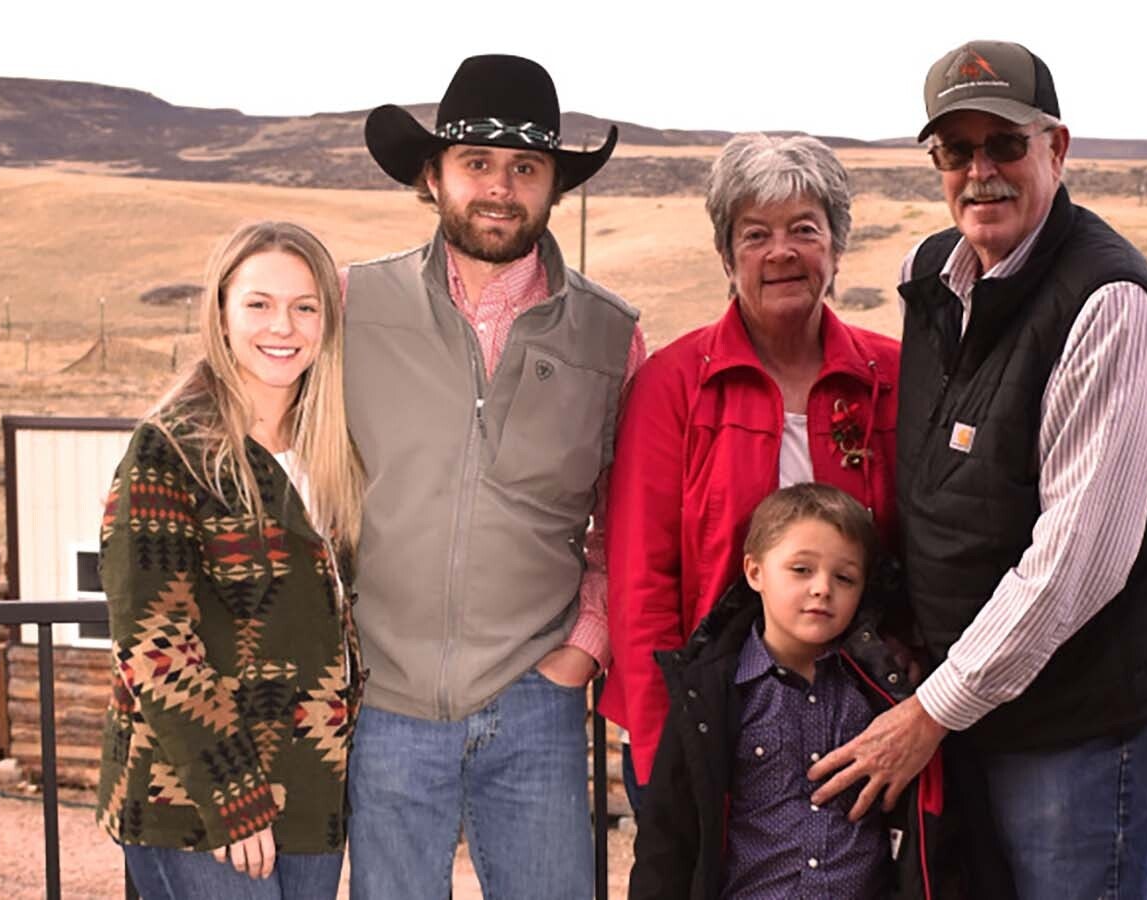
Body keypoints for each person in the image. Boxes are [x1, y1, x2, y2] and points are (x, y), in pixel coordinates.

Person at [808, 40, 1147, 897]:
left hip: (1076, 719)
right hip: (971, 705)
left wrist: (931, 710)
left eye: (1005, 145)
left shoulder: (1105, 302)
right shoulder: (932, 274)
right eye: (956, 152)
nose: (981, 172)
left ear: (1057, 149)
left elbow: (1078, 561)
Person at [343, 54, 645, 898]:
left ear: (554, 186)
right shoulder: (352, 308)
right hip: (386, 705)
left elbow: (625, 524)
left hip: (536, 704)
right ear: (432, 177)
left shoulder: (611, 337)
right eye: (476, 163)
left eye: (526, 168)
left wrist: (582, 654)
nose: (500, 188)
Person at [603, 133, 902, 813]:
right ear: (726, 254)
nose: (781, 252)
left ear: (836, 245)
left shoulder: (891, 376)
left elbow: (920, 548)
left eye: (804, 229)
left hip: (859, 716)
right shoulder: (671, 384)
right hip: (710, 712)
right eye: (755, 233)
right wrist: (662, 747)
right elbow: (642, 580)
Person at [96, 221, 364, 899]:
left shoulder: (332, 448)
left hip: (312, 797)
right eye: (259, 304)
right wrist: (234, 800)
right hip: (194, 804)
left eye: (305, 307)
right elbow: (154, 646)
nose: (286, 326)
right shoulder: (170, 450)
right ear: (220, 310)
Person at [628, 483, 945, 899]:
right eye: (801, 569)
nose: (822, 588)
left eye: (844, 577)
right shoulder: (708, 697)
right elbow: (666, 843)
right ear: (755, 571)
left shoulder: (882, 693)